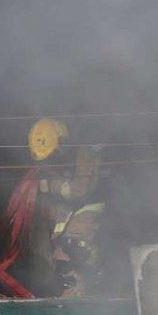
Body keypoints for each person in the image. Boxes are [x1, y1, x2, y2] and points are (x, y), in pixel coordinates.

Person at [28, 117, 107, 297]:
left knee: (81, 254)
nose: (48, 164)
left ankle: (82, 293)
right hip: (69, 219)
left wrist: (48, 186)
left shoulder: (84, 154)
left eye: (52, 157)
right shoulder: (59, 162)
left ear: (61, 145)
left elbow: (79, 190)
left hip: (86, 215)